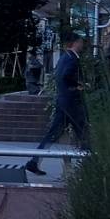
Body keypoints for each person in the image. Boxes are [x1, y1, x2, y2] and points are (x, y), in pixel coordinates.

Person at [27, 32, 88, 176]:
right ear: (75, 42)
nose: (82, 44)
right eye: (80, 42)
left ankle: (34, 161)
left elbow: (59, 76)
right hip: (71, 102)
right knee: (83, 132)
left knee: (53, 134)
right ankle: (91, 164)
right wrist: (79, 84)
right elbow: (66, 76)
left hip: (63, 101)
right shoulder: (73, 59)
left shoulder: (63, 58)